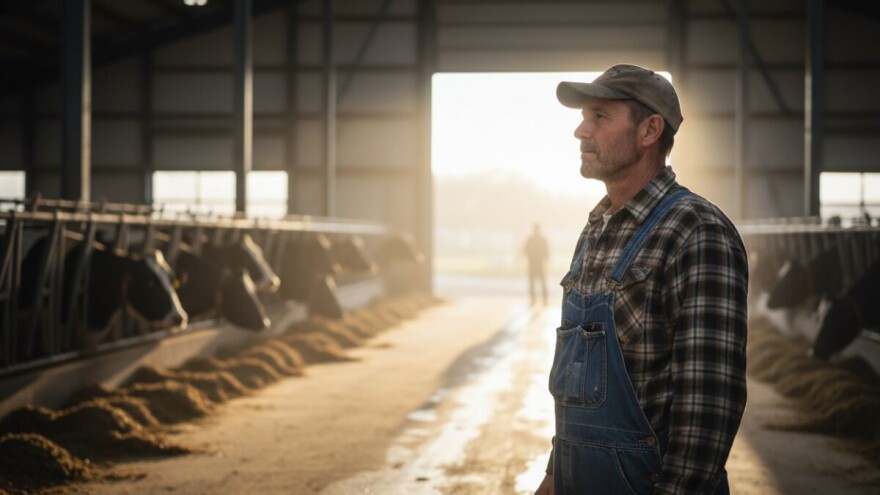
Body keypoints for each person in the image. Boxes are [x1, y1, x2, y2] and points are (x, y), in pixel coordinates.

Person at [535, 64, 748, 495]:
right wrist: (554, 475)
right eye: (583, 117)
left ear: (650, 130)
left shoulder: (696, 230)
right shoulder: (596, 228)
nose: (581, 131)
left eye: (599, 117)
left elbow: (708, 403)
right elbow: (574, 384)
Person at [523, 223, 549, 305]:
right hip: (537, 264)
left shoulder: (532, 240)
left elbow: (525, 251)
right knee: (537, 283)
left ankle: (541, 300)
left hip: (536, 265)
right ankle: (538, 300)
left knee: (539, 283)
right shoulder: (540, 240)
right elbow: (547, 252)